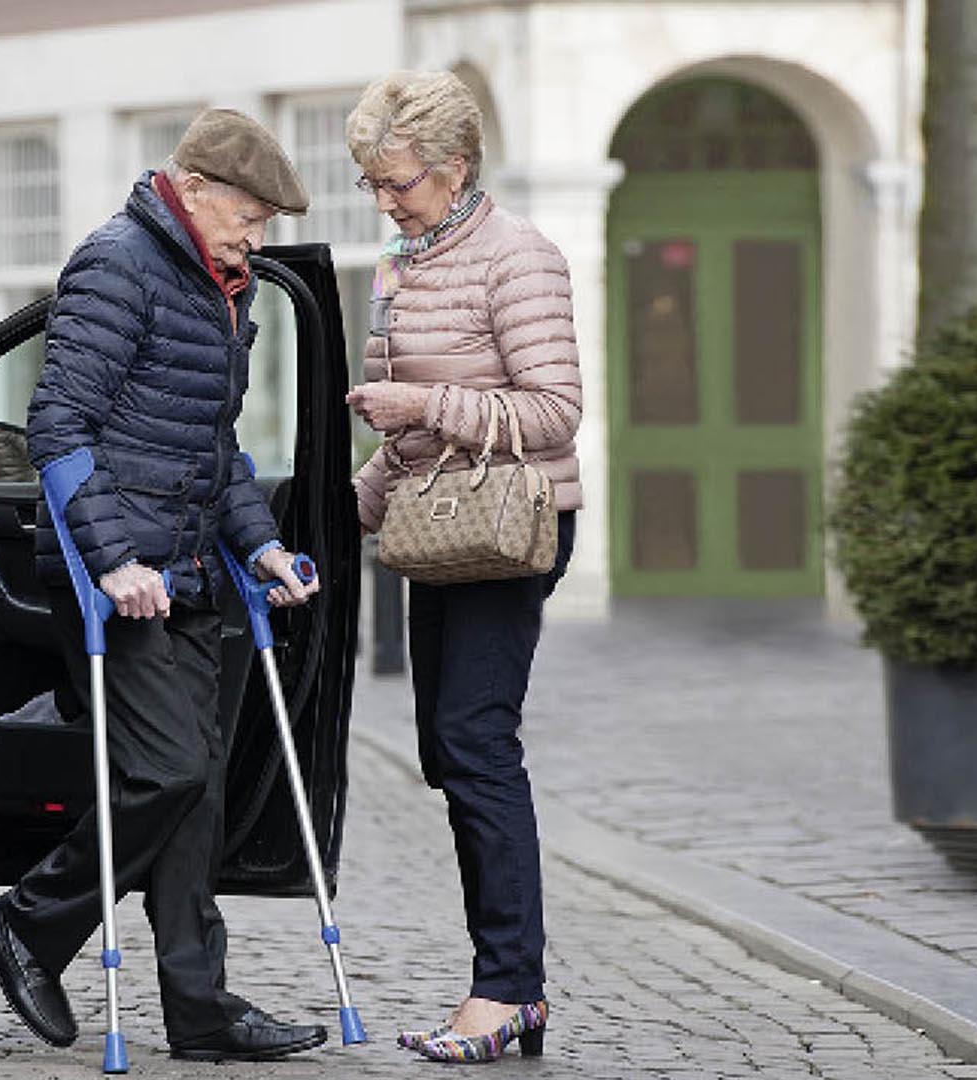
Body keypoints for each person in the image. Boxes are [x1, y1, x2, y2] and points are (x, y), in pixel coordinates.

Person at [0, 108, 329, 1064]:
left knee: (196, 791)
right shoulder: (117, 263)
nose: (258, 237)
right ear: (196, 189)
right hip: (114, 575)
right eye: (249, 215)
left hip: (190, 568)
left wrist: (260, 547)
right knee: (168, 770)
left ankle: (200, 1012)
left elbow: (214, 449)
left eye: (266, 223)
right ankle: (27, 923)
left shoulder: (226, 288)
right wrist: (111, 560)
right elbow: (58, 428)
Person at [342, 71, 583, 1063]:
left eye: (397, 183)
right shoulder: (404, 265)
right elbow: (402, 434)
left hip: (511, 528)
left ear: (457, 168)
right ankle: (503, 984)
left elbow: (554, 413)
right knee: (450, 752)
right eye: (374, 185)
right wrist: (341, 507)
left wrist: (426, 409)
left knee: (476, 743)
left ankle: (509, 990)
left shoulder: (518, 257)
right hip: (438, 527)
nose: (387, 202)